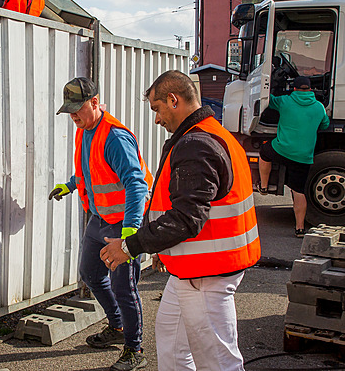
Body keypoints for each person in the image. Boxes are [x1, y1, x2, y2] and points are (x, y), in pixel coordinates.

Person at [100, 70, 261, 371]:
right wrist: (166, 250)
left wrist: (129, 247)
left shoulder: (195, 144)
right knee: (172, 344)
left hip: (206, 272)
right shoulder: (209, 134)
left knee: (217, 361)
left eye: (157, 109)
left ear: (173, 100)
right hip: (195, 268)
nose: (157, 119)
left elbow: (187, 219)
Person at [49, 77, 152, 371]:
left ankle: (135, 350)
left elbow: (137, 184)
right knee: (91, 274)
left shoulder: (115, 137)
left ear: (94, 103)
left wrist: (130, 234)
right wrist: (69, 186)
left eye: (77, 109)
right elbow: (90, 171)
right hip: (99, 219)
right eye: (69, 110)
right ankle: (117, 327)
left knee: (124, 289)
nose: (73, 116)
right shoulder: (85, 129)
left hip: (122, 225)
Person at [257, 75, 329, 237]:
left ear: (294, 88)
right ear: (310, 89)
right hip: (303, 156)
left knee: (264, 153)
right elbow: (324, 124)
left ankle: (263, 186)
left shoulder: (285, 101)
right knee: (298, 191)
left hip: (282, 150)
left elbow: (268, 99)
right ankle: (300, 228)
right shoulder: (319, 107)